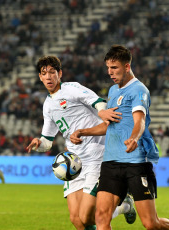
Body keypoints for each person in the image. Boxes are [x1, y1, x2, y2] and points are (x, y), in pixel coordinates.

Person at [70, 45, 169, 230]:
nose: (110, 72)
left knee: (151, 224)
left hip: (135, 162)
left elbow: (139, 120)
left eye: (114, 67)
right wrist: (83, 132)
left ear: (127, 66)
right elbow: (109, 125)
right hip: (110, 162)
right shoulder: (112, 91)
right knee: (101, 218)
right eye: (108, 67)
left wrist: (134, 138)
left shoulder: (139, 90)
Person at [26, 56, 136, 230]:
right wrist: (38, 143)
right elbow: (47, 141)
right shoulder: (47, 105)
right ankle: (124, 205)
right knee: (76, 220)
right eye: (44, 73)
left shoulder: (72, 89)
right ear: (40, 77)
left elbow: (98, 102)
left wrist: (103, 114)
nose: (48, 77)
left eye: (52, 72)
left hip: (97, 157)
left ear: (59, 73)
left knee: (87, 217)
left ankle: (124, 206)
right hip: (74, 162)